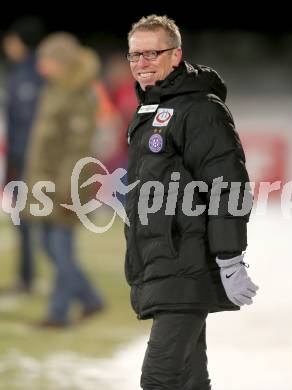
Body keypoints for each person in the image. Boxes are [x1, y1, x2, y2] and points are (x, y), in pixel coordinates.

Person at [124, 15, 259, 389]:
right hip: (165, 264)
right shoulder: (149, 110)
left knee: (159, 379)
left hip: (187, 261)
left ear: (176, 54)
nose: (141, 63)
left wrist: (230, 257)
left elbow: (227, 184)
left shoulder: (199, 109)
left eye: (152, 52)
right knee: (189, 380)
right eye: (134, 55)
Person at [23, 32, 104, 327]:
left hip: (66, 188)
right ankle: (91, 299)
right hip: (47, 187)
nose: (41, 65)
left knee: (60, 249)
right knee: (49, 247)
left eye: (46, 59)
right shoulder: (54, 89)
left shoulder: (79, 93)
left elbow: (77, 149)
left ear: (61, 62)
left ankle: (59, 314)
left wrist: (66, 191)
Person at [2, 17, 45, 292]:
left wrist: (22, 159)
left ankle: (29, 278)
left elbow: (29, 124)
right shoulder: (19, 71)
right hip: (19, 158)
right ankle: (26, 276)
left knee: (31, 222)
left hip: (28, 159)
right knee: (21, 221)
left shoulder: (32, 74)